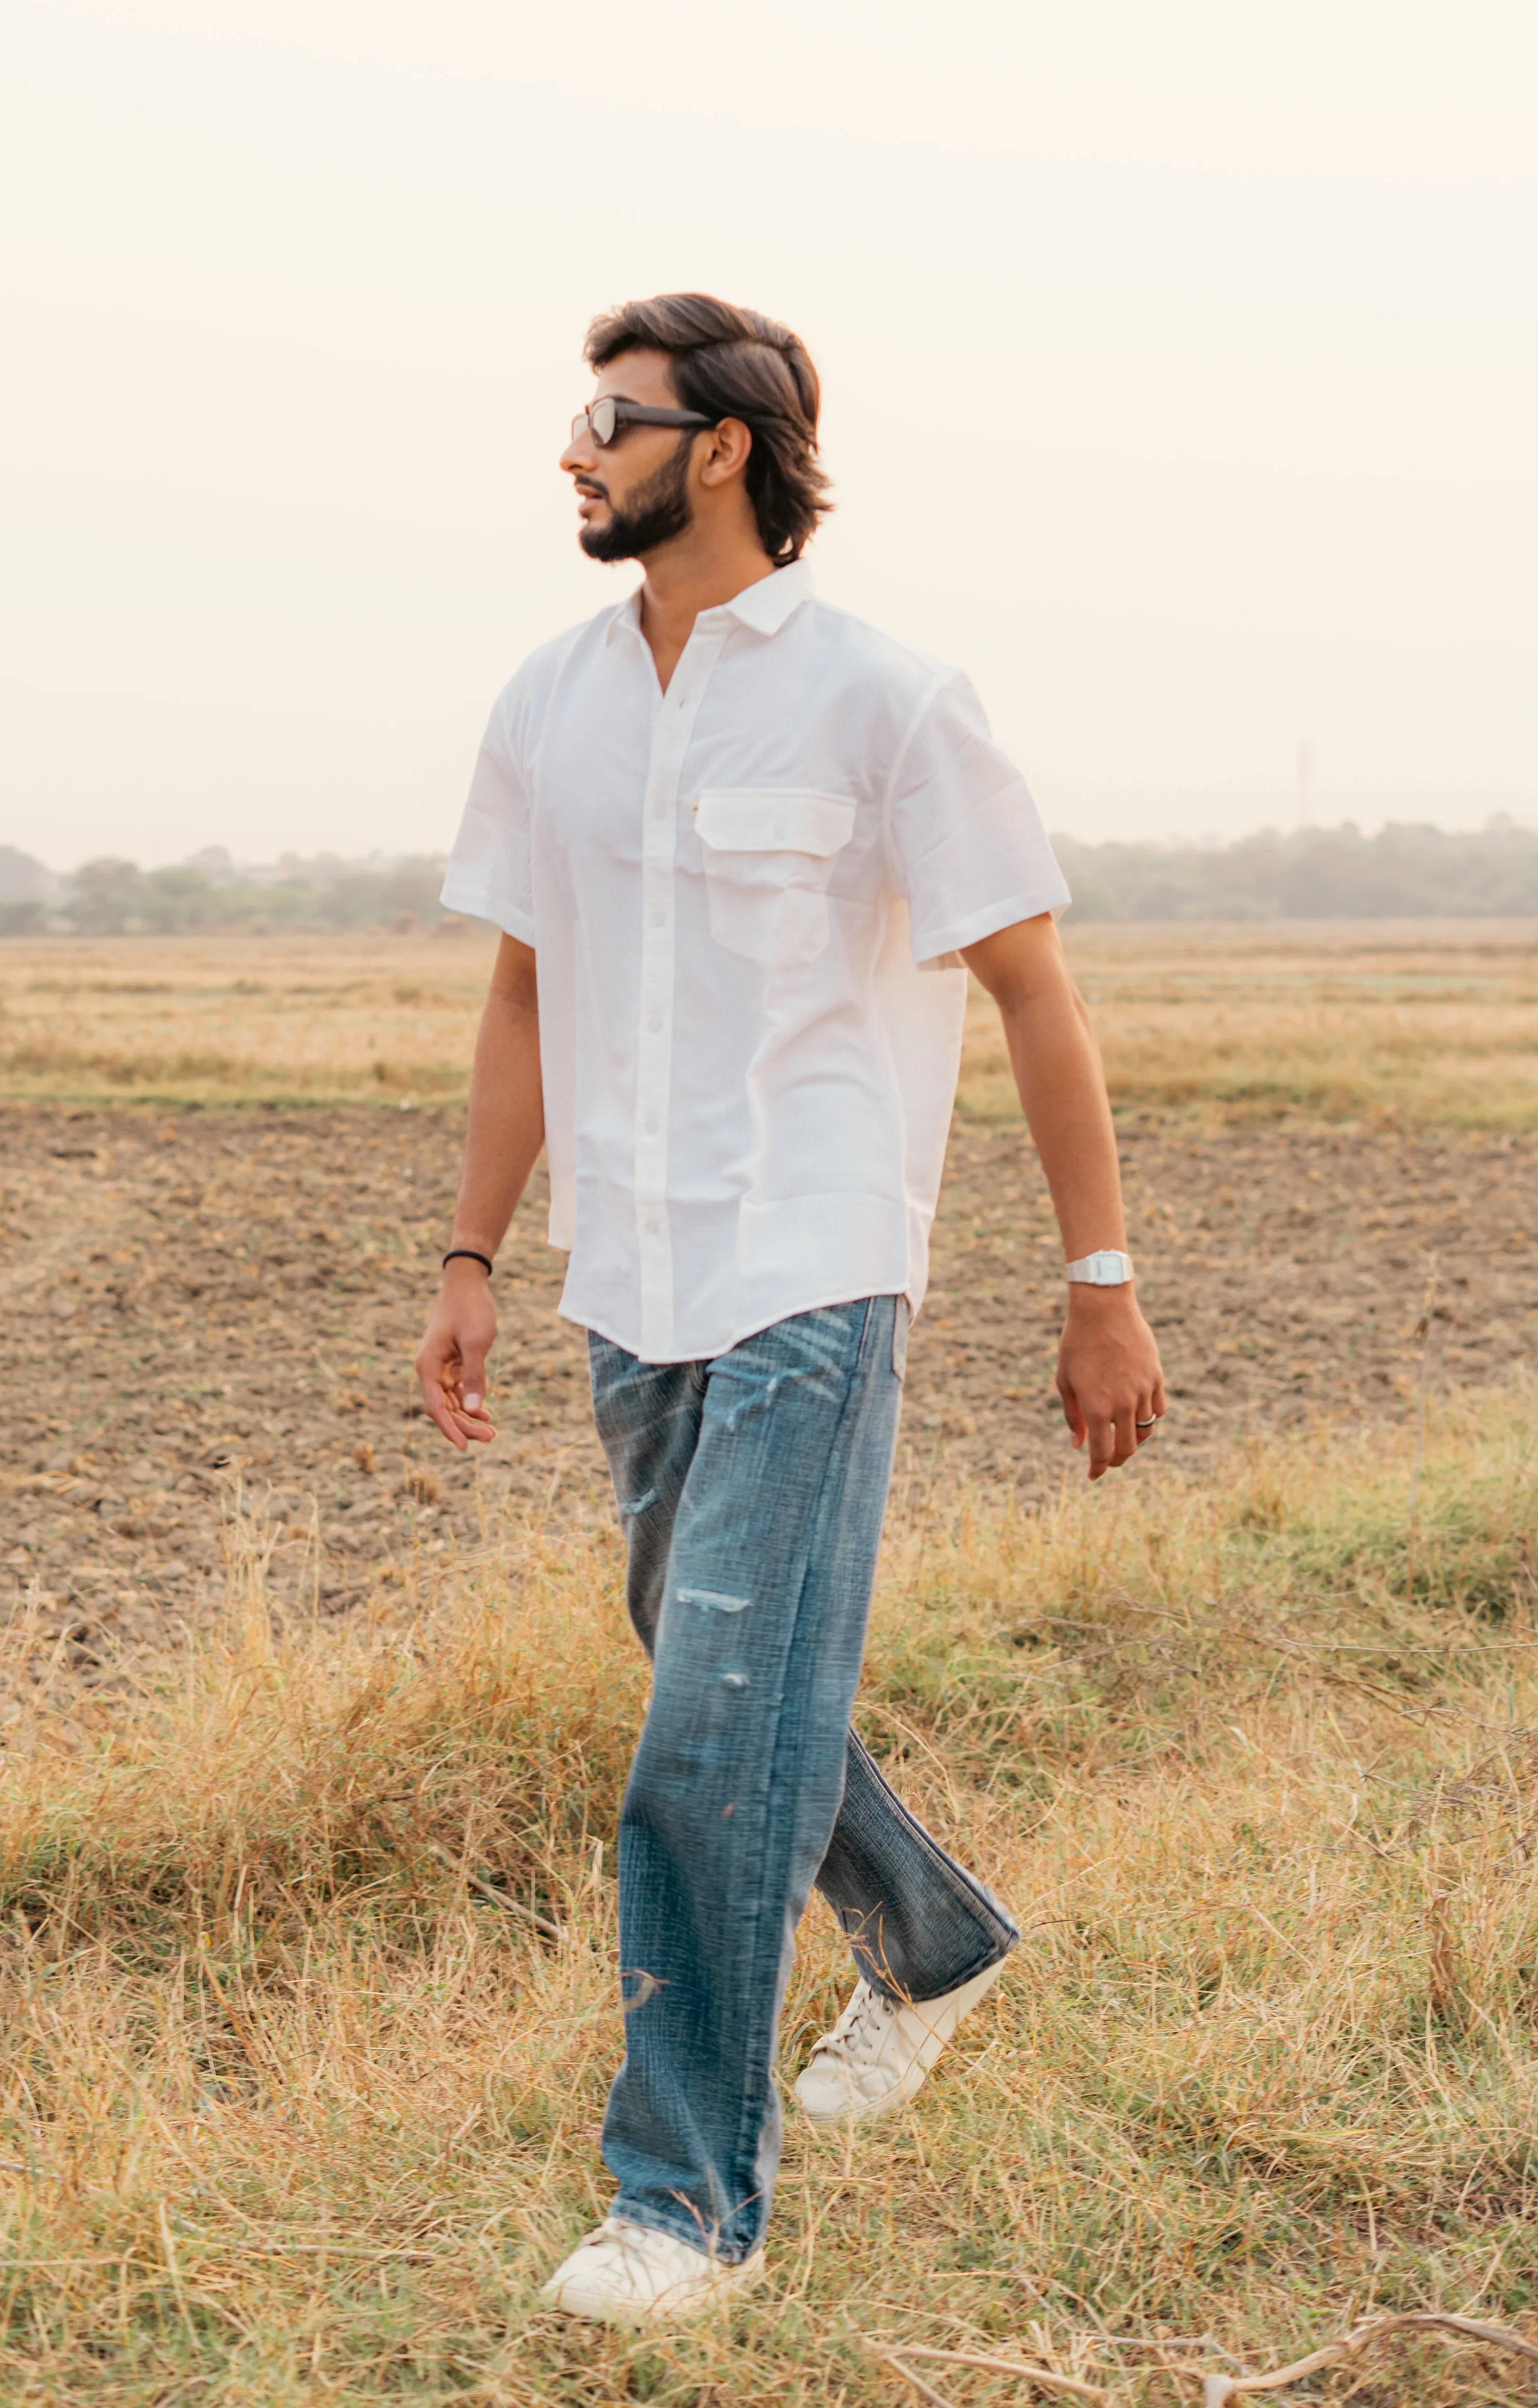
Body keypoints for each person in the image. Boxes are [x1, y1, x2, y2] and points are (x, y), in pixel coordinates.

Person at [413, 293, 1165, 2327]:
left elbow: (1031, 992)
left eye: (610, 419)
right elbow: (521, 999)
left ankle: (683, 2205)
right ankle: (933, 1943)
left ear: (721, 447)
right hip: (632, 1269)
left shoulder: (889, 701)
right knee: (704, 1665)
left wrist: (1100, 1287)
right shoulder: (549, 702)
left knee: (705, 1739)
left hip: (817, 1257)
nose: (574, 453)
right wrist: (477, 1253)